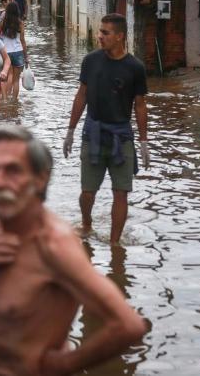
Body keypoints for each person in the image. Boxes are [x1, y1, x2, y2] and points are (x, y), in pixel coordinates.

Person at [0, 126, 147, 375]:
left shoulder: (55, 246)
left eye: (12, 170)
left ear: (40, 178)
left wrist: (66, 364)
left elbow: (129, 325)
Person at [63, 13, 150, 244]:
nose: (99, 36)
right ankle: (87, 223)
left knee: (121, 192)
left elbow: (140, 106)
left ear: (120, 36)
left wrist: (143, 142)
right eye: (100, 31)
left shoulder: (135, 67)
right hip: (92, 134)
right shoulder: (90, 61)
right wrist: (70, 131)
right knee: (87, 192)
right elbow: (81, 95)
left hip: (122, 137)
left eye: (105, 32)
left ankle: (114, 244)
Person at [0, 2, 28, 100]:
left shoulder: (2, 22)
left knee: (4, 77)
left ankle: (5, 99)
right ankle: (14, 101)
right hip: (18, 52)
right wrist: (26, 56)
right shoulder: (20, 23)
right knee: (16, 80)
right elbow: (22, 40)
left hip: (5, 53)